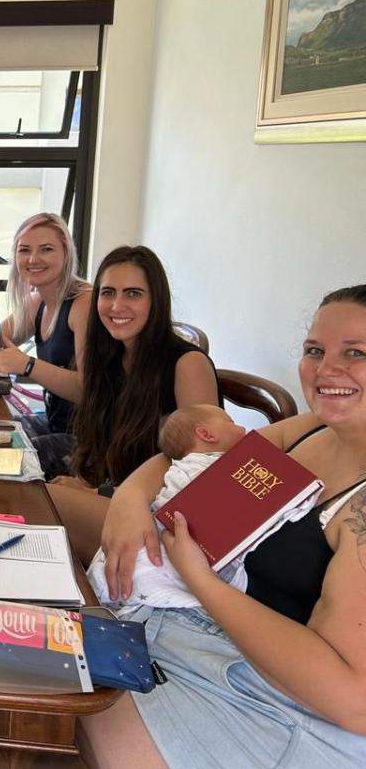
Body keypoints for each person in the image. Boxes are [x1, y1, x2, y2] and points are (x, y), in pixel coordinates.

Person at [77, 286, 366, 769]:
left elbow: (353, 702)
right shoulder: (311, 428)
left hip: (281, 703)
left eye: (355, 353)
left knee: (66, 694)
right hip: (202, 631)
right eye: (315, 350)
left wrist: (201, 580)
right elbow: (195, 454)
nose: (326, 369)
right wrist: (128, 498)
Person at [45, 245, 220, 556]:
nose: (117, 305)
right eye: (108, 293)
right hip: (116, 496)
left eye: (133, 294)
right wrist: (89, 484)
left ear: (156, 301)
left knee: (39, 501)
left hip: (164, 524)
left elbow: (199, 473)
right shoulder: (111, 356)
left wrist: (99, 492)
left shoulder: (187, 364)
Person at [0, 212, 91, 476]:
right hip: (56, 424)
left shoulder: (84, 303)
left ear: (66, 253)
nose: (33, 259)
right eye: (24, 250)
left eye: (46, 249)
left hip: (90, 441)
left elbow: (87, 389)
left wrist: (27, 364)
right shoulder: (38, 302)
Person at [88, 405, 255, 611]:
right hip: (161, 553)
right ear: (206, 434)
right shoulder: (210, 467)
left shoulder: (178, 468)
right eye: (231, 422)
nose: (243, 428)